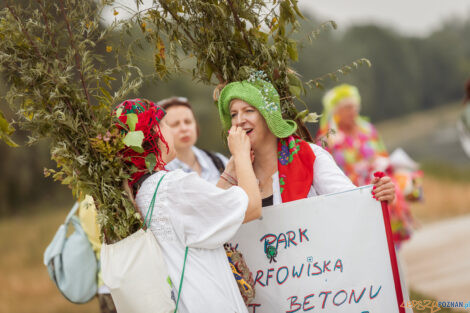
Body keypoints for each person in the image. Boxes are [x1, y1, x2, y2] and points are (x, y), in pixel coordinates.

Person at [114, 98, 261, 313]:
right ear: (154, 133)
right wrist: (241, 155)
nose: (173, 132)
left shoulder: (142, 190)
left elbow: (202, 218)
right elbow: (252, 208)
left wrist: (229, 174)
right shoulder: (173, 186)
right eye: (166, 124)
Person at [216, 73, 396, 208]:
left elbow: (350, 201)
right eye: (233, 114)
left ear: (268, 116)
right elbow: (213, 220)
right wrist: (235, 165)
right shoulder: (235, 171)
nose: (239, 120)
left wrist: (378, 193)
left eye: (249, 110)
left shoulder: (308, 155)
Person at [315, 84, 413, 246]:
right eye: (347, 107)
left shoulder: (368, 130)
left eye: (354, 106)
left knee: (391, 244)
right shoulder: (326, 137)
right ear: (335, 110)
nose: (352, 111)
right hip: (352, 192)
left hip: (378, 186)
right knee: (370, 240)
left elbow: (382, 154)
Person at [158, 97, 228, 184]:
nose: (184, 128)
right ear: (160, 131)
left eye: (188, 122)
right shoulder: (160, 173)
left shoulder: (218, 162)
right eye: (175, 124)